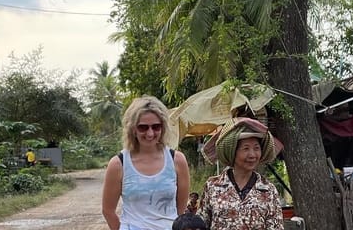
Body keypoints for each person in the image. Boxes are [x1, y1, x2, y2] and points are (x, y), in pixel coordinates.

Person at [102, 96, 190, 230]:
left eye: (156, 127)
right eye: (143, 127)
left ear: (163, 127)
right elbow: (108, 211)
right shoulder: (118, 164)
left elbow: (180, 210)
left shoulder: (177, 161)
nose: (150, 134)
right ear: (133, 129)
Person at [198, 117, 284, 230]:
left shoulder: (268, 190)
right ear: (233, 152)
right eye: (246, 148)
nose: (252, 155)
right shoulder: (213, 186)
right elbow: (202, 224)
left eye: (256, 148)